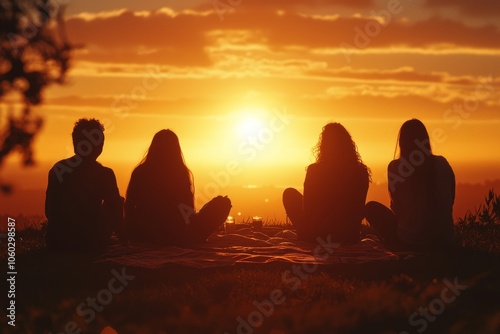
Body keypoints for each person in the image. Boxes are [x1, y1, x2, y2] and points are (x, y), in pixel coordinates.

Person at [125, 129, 231, 246]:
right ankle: (191, 238)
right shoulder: (180, 173)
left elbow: (129, 205)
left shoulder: (140, 171)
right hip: (175, 233)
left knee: (221, 203)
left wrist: (133, 232)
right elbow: (188, 209)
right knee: (223, 203)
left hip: (146, 233)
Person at [364, 119, 456, 252]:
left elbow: (397, 208)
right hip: (445, 240)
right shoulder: (442, 163)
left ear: (402, 142)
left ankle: (395, 243)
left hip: (411, 242)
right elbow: (451, 198)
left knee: (371, 208)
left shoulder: (395, 167)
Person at [282, 122, 371, 243]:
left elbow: (308, 209)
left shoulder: (315, 170)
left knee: (289, 194)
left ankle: (306, 236)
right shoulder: (360, 171)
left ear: (323, 145)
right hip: (348, 234)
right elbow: (359, 209)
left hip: (319, 232)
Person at [45, 118, 124, 251]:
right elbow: (115, 210)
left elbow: (49, 210)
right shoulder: (105, 174)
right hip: (90, 241)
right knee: (119, 202)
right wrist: (124, 241)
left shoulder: (58, 169)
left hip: (56, 240)